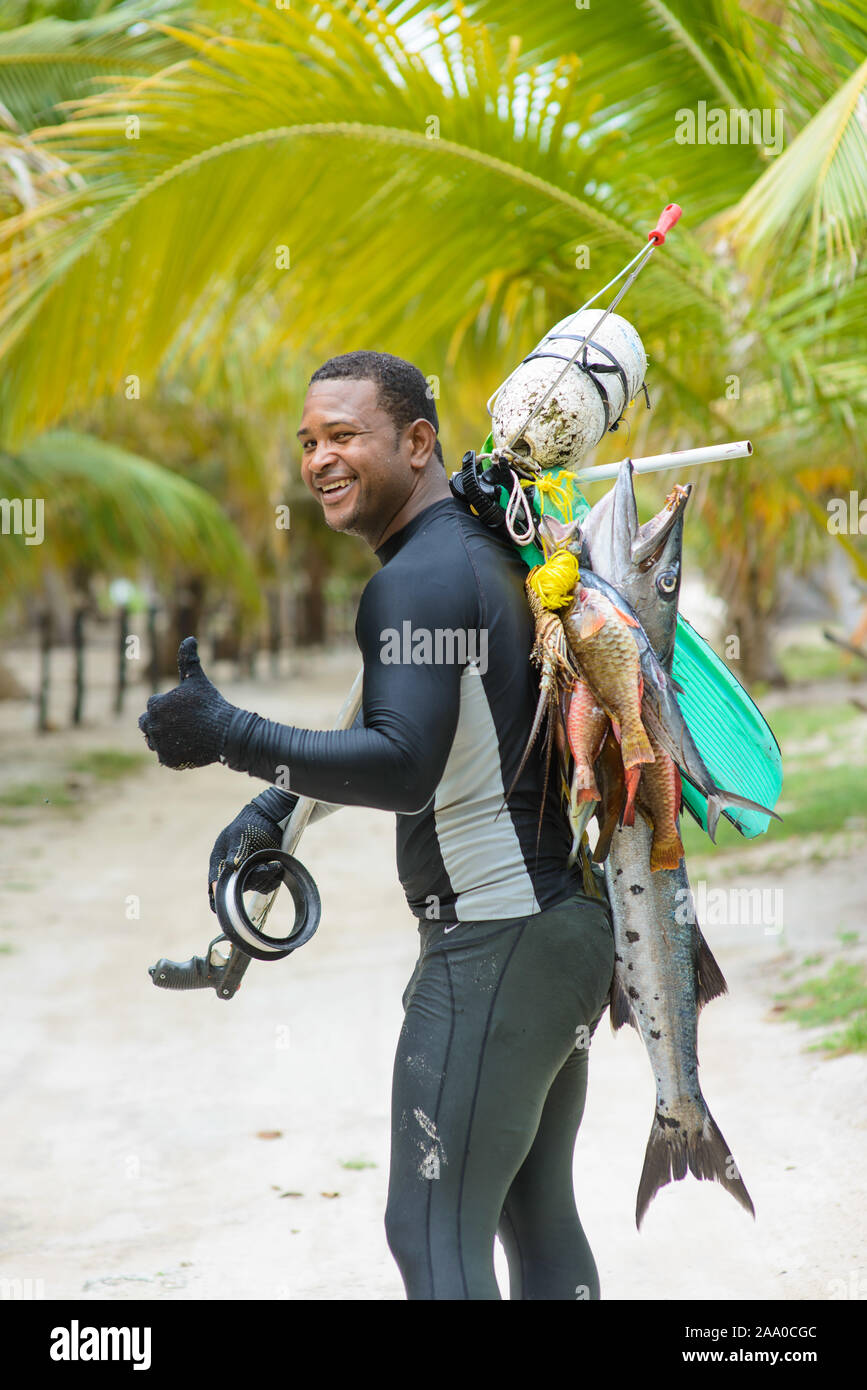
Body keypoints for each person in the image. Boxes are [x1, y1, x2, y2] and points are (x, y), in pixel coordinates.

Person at [138, 350, 615, 1300]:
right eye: (309, 441)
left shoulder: (415, 580)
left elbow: (404, 767)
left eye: (344, 436)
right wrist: (277, 800)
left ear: (417, 441)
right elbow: (428, 718)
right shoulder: (474, 549)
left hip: (493, 941)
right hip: (561, 931)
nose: (320, 459)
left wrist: (230, 734)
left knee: (429, 1231)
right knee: (533, 1213)